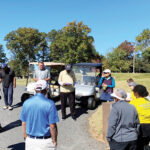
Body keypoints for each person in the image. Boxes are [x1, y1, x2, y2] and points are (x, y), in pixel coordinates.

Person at [20, 80, 59, 150]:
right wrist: (54, 140)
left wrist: (26, 137)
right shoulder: (50, 104)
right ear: (46, 90)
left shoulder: (26, 103)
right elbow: (52, 126)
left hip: (30, 141)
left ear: (35, 89)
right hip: (45, 142)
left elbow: (23, 123)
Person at [130, 85, 150, 150]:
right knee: (145, 143)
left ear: (136, 93)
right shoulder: (148, 101)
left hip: (140, 126)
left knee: (138, 145)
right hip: (149, 126)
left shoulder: (133, 103)